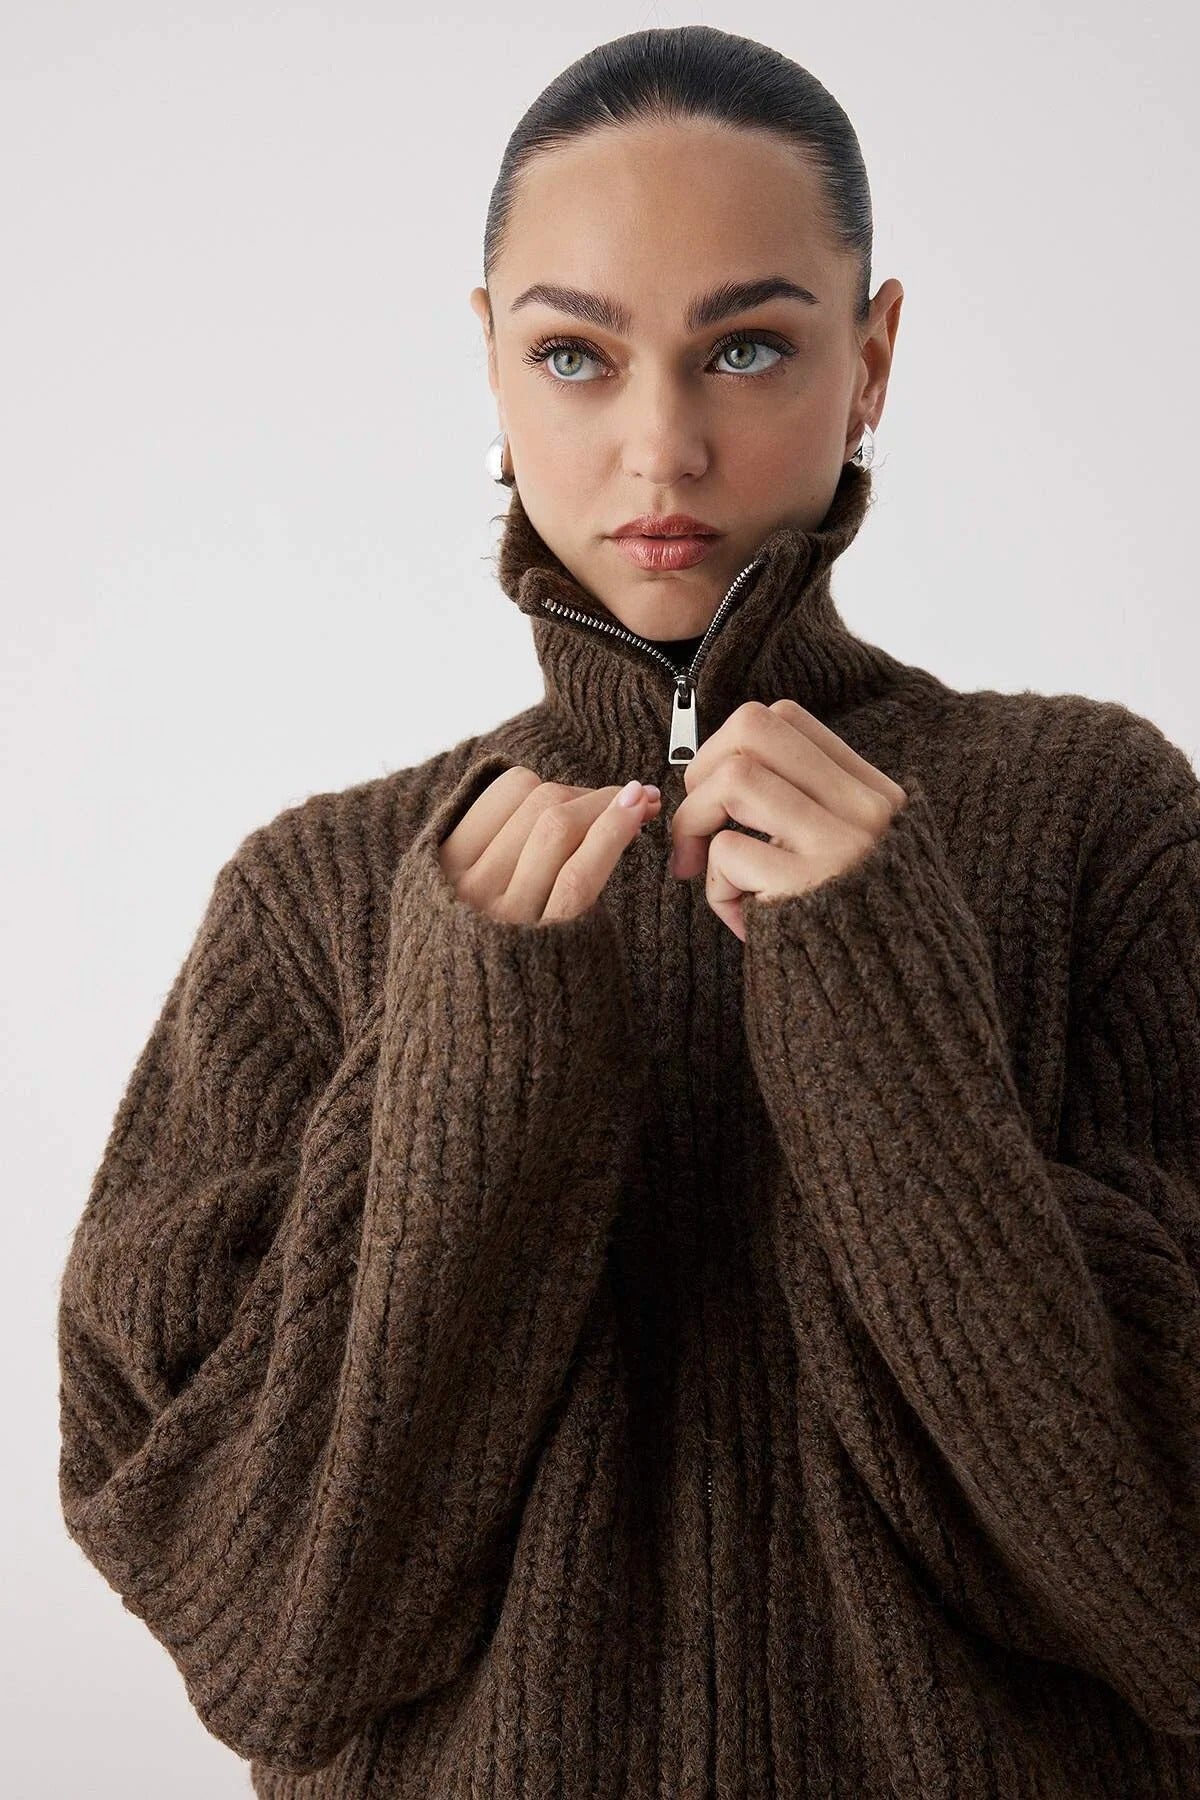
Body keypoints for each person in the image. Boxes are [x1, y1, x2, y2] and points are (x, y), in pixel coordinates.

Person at [56, 25, 1200, 1800]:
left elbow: (1170, 1594)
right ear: (491, 364)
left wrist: (882, 1006)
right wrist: (470, 1065)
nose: (660, 445)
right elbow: (279, 1642)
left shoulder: (1100, 825)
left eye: (749, 346)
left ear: (874, 355)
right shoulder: (322, 900)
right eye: (577, 355)